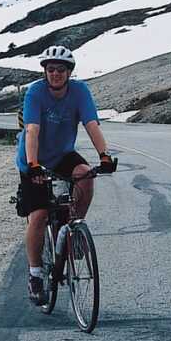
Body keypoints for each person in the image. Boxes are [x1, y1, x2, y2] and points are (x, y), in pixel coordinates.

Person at [15, 45, 116, 304]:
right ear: (45, 72)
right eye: (50, 70)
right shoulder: (35, 92)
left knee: (85, 173)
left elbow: (91, 124)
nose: (55, 74)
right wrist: (34, 165)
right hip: (33, 158)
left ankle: (75, 230)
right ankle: (35, 274)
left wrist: (103, 155)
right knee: (38, 215)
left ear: (69, 72)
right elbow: (33, 131)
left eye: (61, 70)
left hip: (61, 155)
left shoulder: (80, 91)